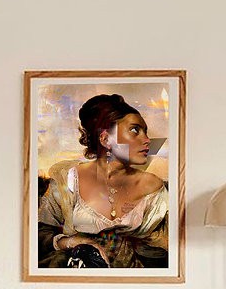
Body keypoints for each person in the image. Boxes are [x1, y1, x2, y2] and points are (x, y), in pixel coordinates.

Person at [38, 93, 169, 269]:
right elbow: (39, 233)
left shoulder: (153, 187)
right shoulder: (68, 180)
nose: (146, 140)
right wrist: (71, 242)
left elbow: (168, 251)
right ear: (106, 139)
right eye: (134, 130)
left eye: (145, 132)